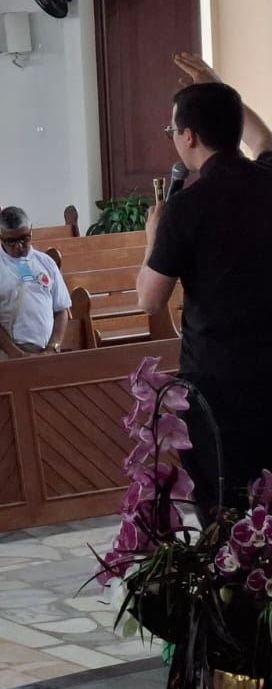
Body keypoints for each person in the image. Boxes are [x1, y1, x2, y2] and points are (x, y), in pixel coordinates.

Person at [139, 60, 272, 514]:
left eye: (171, 129)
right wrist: (218, 88)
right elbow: (264, 141)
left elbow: (149, 298)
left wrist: (153, 237)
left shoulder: (185, 209)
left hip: (220, 385)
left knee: (227, 504)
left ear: (188, 136)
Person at [0, 206, 71, 362]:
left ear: (31, 230)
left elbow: (61, 310)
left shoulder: (46, 262)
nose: (19, 246)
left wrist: (54, 347)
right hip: (5, 352)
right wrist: (17, 354)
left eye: (24, 238)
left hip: (45, 351)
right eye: (11, 241)